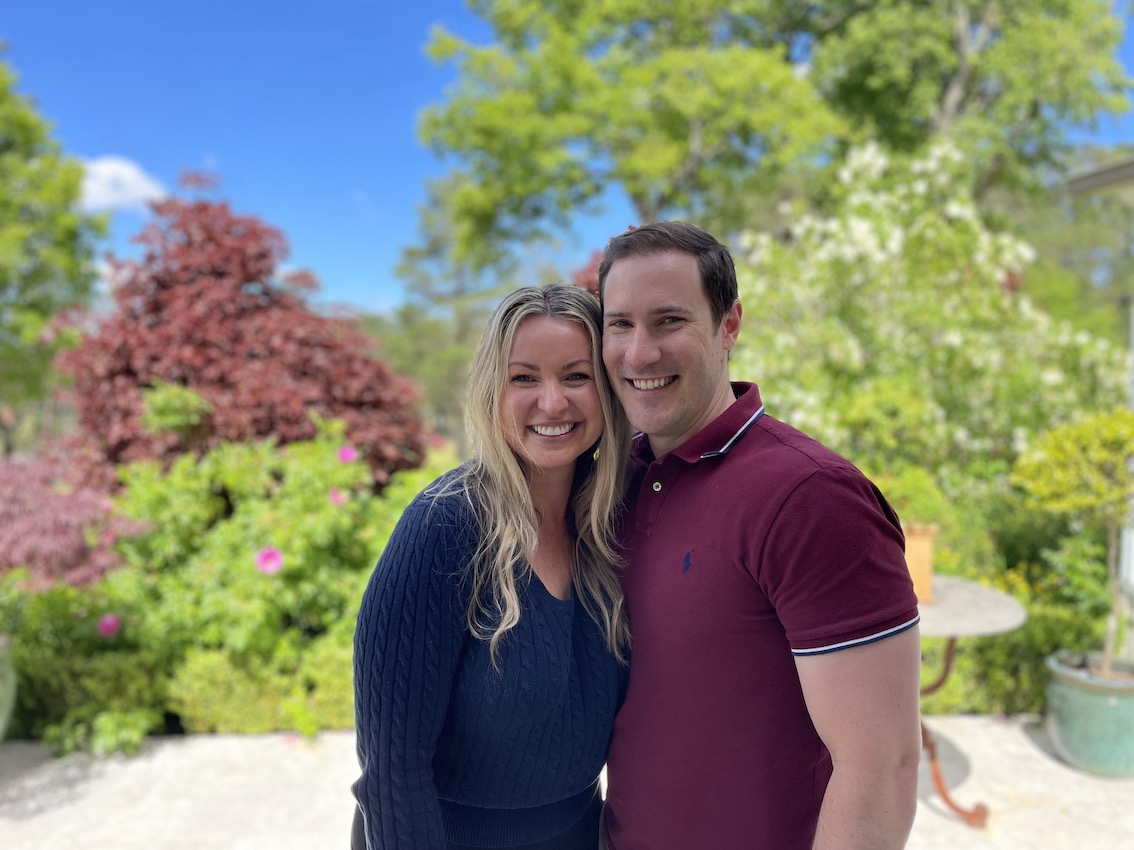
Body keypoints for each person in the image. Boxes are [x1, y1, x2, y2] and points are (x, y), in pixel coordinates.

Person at [597, 222, 923, 850]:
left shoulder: (812, 497)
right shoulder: (615, 484)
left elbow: (881, 771)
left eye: (669, 321)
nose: (639, 353)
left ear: (729, 325)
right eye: (620, 324)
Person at [351, 284, 633, 850]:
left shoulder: (613, 524)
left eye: (576, 376)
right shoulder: (445, 526)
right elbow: (392, 773)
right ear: (491, 391)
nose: (552, 402)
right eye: (524, 378)